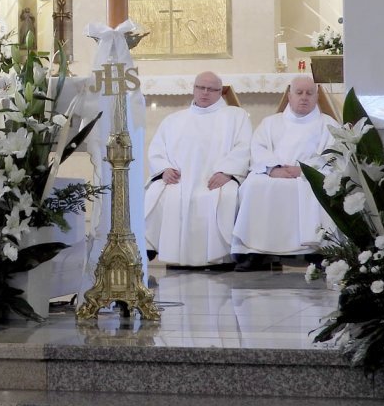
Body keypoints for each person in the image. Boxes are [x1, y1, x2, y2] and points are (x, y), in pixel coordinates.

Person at [143, 71, 252, 267]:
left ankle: (221, 258)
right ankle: (152, 252)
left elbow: (244, 147)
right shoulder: (174, 119)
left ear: (221, 92)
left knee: (227, 196)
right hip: (179, 180)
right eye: (201, 88)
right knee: (155, 194)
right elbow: (157, 149)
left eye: (211, 89)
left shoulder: (236, 116)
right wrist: (164, 169)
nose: (205, 93)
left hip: (217, 180)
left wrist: (227, 172)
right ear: (193, 89)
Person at [231, 76, 335, 271]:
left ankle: (318, 251)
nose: (304, 97)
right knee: (254, 185)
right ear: (289, 96)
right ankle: (255, 252)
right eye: (299, 93)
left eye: (309, 93)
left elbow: (333, 155)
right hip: (275, 173)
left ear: (317, 96)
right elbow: (258, 148)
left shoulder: (327, 125)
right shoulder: (270, 123)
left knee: (317, 187)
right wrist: (273, 169)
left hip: (308, 176)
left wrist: (304, 170)